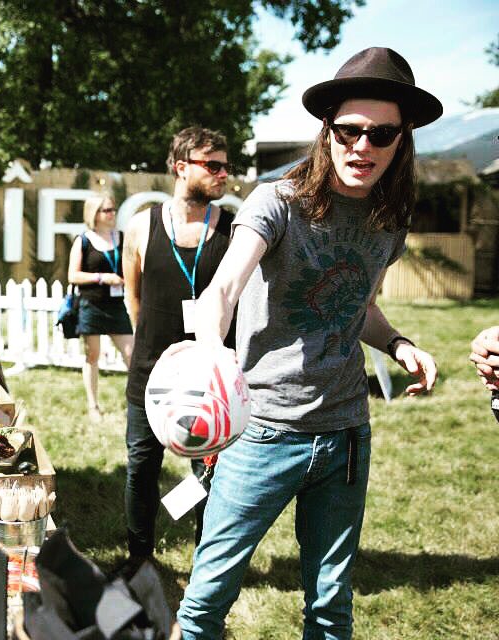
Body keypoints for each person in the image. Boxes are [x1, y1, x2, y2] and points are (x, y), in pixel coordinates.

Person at [176, 47, 441, 639]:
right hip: (262, 430)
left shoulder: (389, 220)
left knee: (329, 610)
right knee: (204, 606)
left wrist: (398, 343)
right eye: (349, 130)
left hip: (346, 434)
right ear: (328, 132)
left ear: (402, 141)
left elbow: (360, 304)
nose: (362, 146)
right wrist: (212, 359)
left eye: (381, 134)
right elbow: (222, 292)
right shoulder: (279, 202)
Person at [119, 126, 235, 575]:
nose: (224, 174)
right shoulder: (141, 226)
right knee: (141, 468)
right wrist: (153, 352)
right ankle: (139, 559)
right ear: (181, 166)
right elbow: (135, 300)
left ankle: (206, 561)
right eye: (213, 165)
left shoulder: (232, 229)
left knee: (211, 476)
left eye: (226, 165)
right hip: (151, 373)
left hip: (212, 380)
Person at [67, 195, 134, 419]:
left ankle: (136, 404)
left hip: (116, 305)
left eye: (113, 209)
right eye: (106, 210)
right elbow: (73, 275)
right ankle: (93, 406)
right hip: (91, 304)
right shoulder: (83, 240)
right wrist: (102, 277)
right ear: (94, 213)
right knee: (93, 355)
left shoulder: (122, 238)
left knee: (131, 355)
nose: (112, 213)